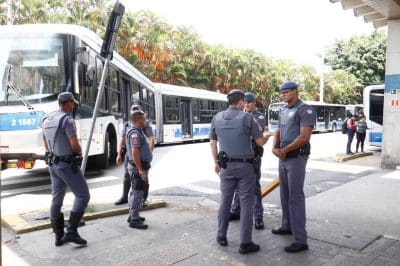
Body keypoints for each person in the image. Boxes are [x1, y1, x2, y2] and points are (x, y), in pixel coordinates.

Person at [210, 89, 270, 254]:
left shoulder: (217, 118)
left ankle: (221, 235)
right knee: (246, 204)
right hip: (245, 168)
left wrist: (216, 162)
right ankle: (245, 243)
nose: (245, 104)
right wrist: (268, 135)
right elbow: (260, 142)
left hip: (226, 168)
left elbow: (213, 143)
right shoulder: (247, 118)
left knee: (225, 202)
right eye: (244, 101)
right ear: (241, 102)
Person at [271, 81, 315, 253]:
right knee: (284, 195)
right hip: (282, 157)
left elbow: (304, 137)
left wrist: (285, 150)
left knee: (295, 198)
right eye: (281, 92)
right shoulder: (283, 110)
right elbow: (278, 131)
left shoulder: (305, 109)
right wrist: (275, 148)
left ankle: (301, 240)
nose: (283, 95)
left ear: (296, 91)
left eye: (286, 92)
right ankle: (286, 225)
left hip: (296, 157)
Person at [42, 92, 90, 246]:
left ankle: (58, 237)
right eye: (73, 103)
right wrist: (79, 152)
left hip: (53, 165)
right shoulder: (67, 120)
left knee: (56, 200)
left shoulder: (46, 119)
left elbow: (46, 145)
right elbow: (74, 144)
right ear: (68, 103)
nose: (74, 105)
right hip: (67, 165)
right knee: (83, 196)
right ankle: (71, 232)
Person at [229, 92, 267, 230]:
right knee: (239, 186)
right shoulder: (240, 115)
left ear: (254, 103)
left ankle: (258, 217)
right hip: (241, 155)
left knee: (255, 188)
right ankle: (235, 211)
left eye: (249, 102)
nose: (246, 105)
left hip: (254, 156)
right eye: (244, 102)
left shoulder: (259, 116)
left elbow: (258, 132)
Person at [115, 105, 154, 206]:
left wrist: (148, 152)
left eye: (138, 111)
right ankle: (124, 197)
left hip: (140, 154)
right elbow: (122, 140)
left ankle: (144, 199)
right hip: (130, 154)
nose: (136, 112)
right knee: (127, 175)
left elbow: (151, 139)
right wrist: (119, 154)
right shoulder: (127, 124)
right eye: (133, 110)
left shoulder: (144, 125)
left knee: (143, 176)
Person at [126, 110, 153, 229]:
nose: (145, 121)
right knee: (138, 192)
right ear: (137, 120)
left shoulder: (138, 131)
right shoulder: (135, 134)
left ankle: (132, 215)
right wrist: (140, 170)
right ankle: (134, 219)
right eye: (143, 118)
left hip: (139, 166)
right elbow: (135, 152)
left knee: (135, 191)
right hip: (138, 167)